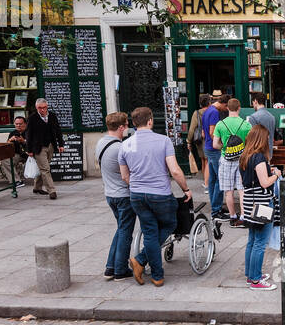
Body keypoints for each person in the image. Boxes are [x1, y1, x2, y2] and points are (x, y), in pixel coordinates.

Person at [120, 105, 191, 288]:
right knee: (170, 223)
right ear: (150, 121)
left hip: (136, 195)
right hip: (160, 194)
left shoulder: (125, 144)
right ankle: (143, 262)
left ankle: (154, 272)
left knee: (150, 231)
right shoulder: (163, 140)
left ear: (134, 123)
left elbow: (124, 176)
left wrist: (137, 187)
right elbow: (174, 170)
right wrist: (186, 189)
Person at [97, 112, 136, 281]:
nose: (128, 128)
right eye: (126, 125)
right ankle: (120, 270)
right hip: (123, 195)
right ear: (121, 127)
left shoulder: (100, 142)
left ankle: (110, 267)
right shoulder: (120, 148)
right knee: (126, 232)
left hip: (109, 194)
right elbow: (127, 174)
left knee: (120, 229)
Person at [240, 124, 279, 290]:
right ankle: (256, 280)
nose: (269, 140)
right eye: (267, 137)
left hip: (250, 203)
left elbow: (252, 178)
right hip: (261, 203)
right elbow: (264, 182)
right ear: (261, 139)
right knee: (260, 243)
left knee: (252, 240)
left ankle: (251, 275)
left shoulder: (246, 156)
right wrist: (276, 174)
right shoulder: (259, 158)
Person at [213, 97, 251, 226]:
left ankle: (233, 216)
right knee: (242, 190)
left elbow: (215, 145)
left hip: (226, 160)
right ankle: (244, 217)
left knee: (228, 191)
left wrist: (224, 147)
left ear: (228, 108)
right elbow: (250, 144)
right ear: (239, 108)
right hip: (242, 159)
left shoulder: (220, 124)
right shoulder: (246, 124)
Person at [25, 97, 65, 199]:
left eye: (44, 107)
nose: (42, 110)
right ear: (36, 108)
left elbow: (58, 130)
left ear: (47, 107)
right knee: (45, 169)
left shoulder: (52, 116)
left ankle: (37, 187)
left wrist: (61, 144)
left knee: (43, 168)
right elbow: (28, 135)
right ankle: (52, 191)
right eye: (39, 108)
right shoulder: (32, 118)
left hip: (50, 145)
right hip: (38, 147)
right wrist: (29, 150)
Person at [202, 93, 227, 219]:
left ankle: (214, 206)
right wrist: (221, 144)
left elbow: (203, 132)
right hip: (214, 149)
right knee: (220, 179)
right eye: (226, 107)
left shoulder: (206, 111)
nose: (226, 110)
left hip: (207, 147)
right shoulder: (214, 112)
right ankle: (216, 210)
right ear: (224, 104)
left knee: (212, 179)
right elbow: (212, 132)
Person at [188, 93, 213, 183]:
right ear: (209, 102)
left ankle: (205, 179)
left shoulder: (197, 113)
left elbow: (192, 128)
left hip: (199, 140)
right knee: (207, 160)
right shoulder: (212, 111)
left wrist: (188, 141)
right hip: (209, 137)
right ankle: (207, 181)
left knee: (203, 159)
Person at [247, 93, 279, 157]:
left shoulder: (253, 117)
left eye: (253, 103)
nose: (253, 105)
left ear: (255, 101)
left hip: (257, 154)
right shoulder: (272, 117)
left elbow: (252, 138)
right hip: (269, 153)